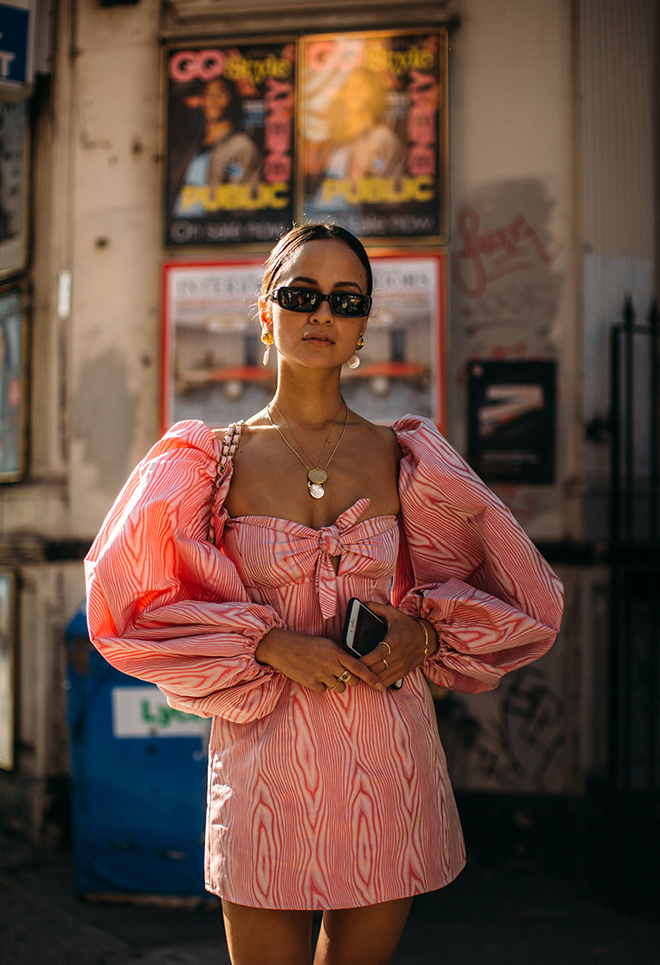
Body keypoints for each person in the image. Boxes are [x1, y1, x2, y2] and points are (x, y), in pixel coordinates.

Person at [85, 223, 563, 965]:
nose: (322, 315)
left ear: (364, 323)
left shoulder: (408, 457)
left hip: (388, 761)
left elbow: (520, 595)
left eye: (345, 300)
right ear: (265, 312)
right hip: (264, 769)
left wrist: (426, 636)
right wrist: (268, 642)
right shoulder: (207, 461)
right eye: (300, 294)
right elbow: (127, 604)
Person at [171, 76, 261, 218]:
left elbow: (242, 204)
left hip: (217, 230)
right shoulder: (189, 146)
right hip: (184, 228)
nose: (213, 100)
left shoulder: (242, 146)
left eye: (220, 93)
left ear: (232, 99)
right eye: (207, 94)